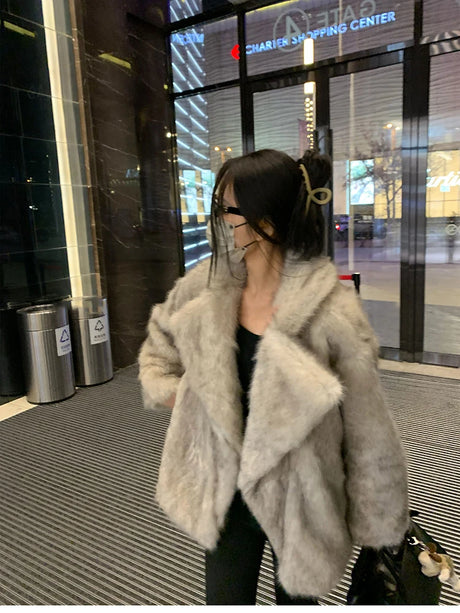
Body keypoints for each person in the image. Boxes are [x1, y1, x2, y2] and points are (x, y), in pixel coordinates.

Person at [138, 148, 409, 605]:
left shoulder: (332, 314)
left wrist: (378, 524)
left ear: (265, 222)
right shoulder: (204, 287)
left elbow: (368, 430)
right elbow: (157, 354)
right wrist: (188, 397)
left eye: (229, 209)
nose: (221, 220)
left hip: (302, 502)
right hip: (224, 494)